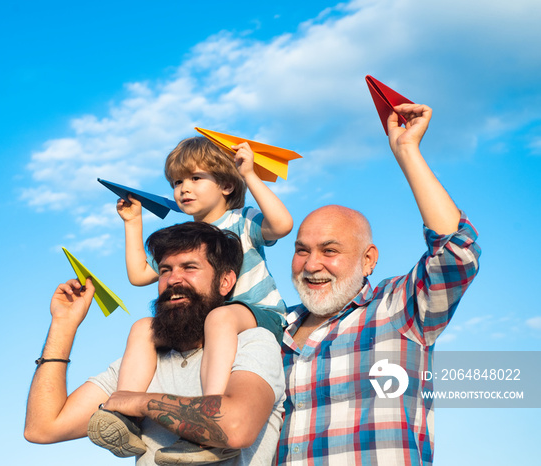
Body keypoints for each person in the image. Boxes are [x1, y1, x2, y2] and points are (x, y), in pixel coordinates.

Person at [278, 103, 481, 465]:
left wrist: (407, 151)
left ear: (368, 260)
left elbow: (456, 252)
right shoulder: (276, 331)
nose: (311, 265)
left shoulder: (399, 309)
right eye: (301, 250)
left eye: (330, 250)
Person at [24, 222, 286, 466]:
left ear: (225, 281)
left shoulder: (254, 344)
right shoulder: (142, 361)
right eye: (165, 270)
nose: (173, 279)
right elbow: (43, 427)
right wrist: (63, 324)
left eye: (189, 267)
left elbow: (236, 428)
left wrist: (137, 402)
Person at [110, 137, 292, 461]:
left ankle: (211, 425)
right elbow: (139, 274)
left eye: (195, 178)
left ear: (224, 184)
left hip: (259, 314)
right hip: (214, 324)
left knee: (218, 317)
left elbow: (282, 224)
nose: (183, 188)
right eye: (177, 182)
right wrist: (133, 221)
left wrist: (249, 174)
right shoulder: (184, 240)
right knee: (143, 328)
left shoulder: (241, 219)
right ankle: (125, 417)